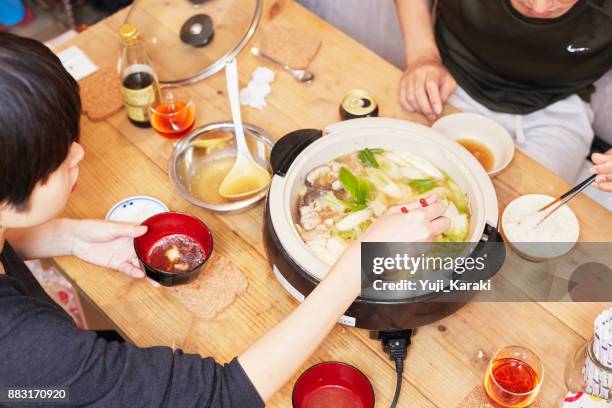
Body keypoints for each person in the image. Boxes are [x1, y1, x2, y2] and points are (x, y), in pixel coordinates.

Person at [0, 33, 451, 407]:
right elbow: (220, 396)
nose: (78, 154)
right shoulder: (26, 352)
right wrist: (360, 263)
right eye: (58, 159)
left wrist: (68, 238)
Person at [396, 0, 612, 187]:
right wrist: (422, 56)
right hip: (453, 80)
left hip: (558, 105)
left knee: (525, 216)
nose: (539, 8)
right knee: (403, 172)